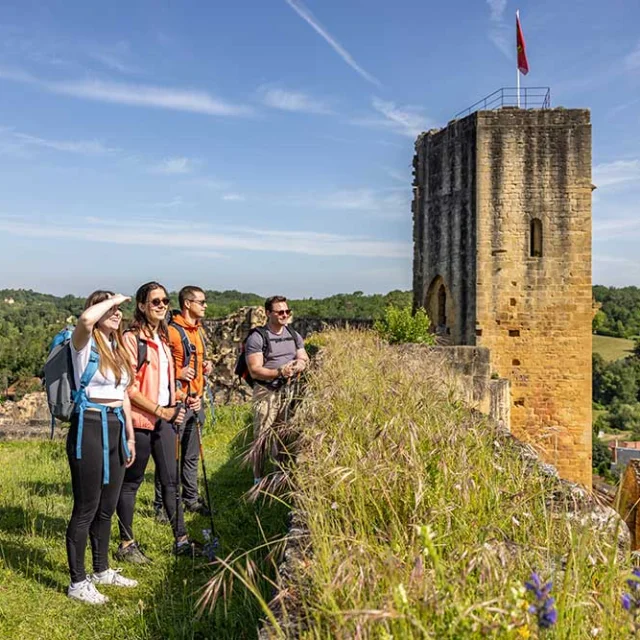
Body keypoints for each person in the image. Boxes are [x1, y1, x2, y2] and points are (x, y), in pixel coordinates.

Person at [115, 281, 198, 562]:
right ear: (141, 306)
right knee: (131, 482)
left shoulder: (163, 338)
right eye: (155, 302)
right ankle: (127, 544)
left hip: (165, 417)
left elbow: (164, 383)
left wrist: (182, 397)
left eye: (165, 301)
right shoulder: (131, 339)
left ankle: (182, 540)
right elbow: (129, 389)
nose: (162, 306)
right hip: (140, 420)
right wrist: (162, 411)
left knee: (170, 481)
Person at [66, 290, 138, 605]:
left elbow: (123, 395)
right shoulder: (82, 343)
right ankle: (77, 582)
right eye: (108, 306)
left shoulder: (115, 346)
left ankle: (101, 570)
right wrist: (112, 299)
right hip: (90, 426)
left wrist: (131, 436)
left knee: (107, 505)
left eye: (120, 308)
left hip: (116, 426)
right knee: (86, 508)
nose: (117, 311)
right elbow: (84, 319)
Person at [154, 285, 213, 521]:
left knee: (190, 456)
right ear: (187, 303)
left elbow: (196, 364)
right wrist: (180, 373)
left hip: (195, 400)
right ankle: (161, 506)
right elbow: (161, 366)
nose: (205, 305)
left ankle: (190, 499)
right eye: (201, 301)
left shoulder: (197, 331)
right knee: (169, 458)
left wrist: (204, 367)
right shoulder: (172, 331)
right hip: (177, 401)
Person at [246, 296, 309, 483]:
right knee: (262, 437)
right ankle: (258, 479)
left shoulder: (293, 334)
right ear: (267, 313)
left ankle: (278, 475)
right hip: (267, 392)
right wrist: (279, 371)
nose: (284, 315)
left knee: (283, 435)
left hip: (288, 392)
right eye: (280, 312)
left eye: (287, 312)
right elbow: (255, 370)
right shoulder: (257, 337)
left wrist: (299, 364)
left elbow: (304, 357)